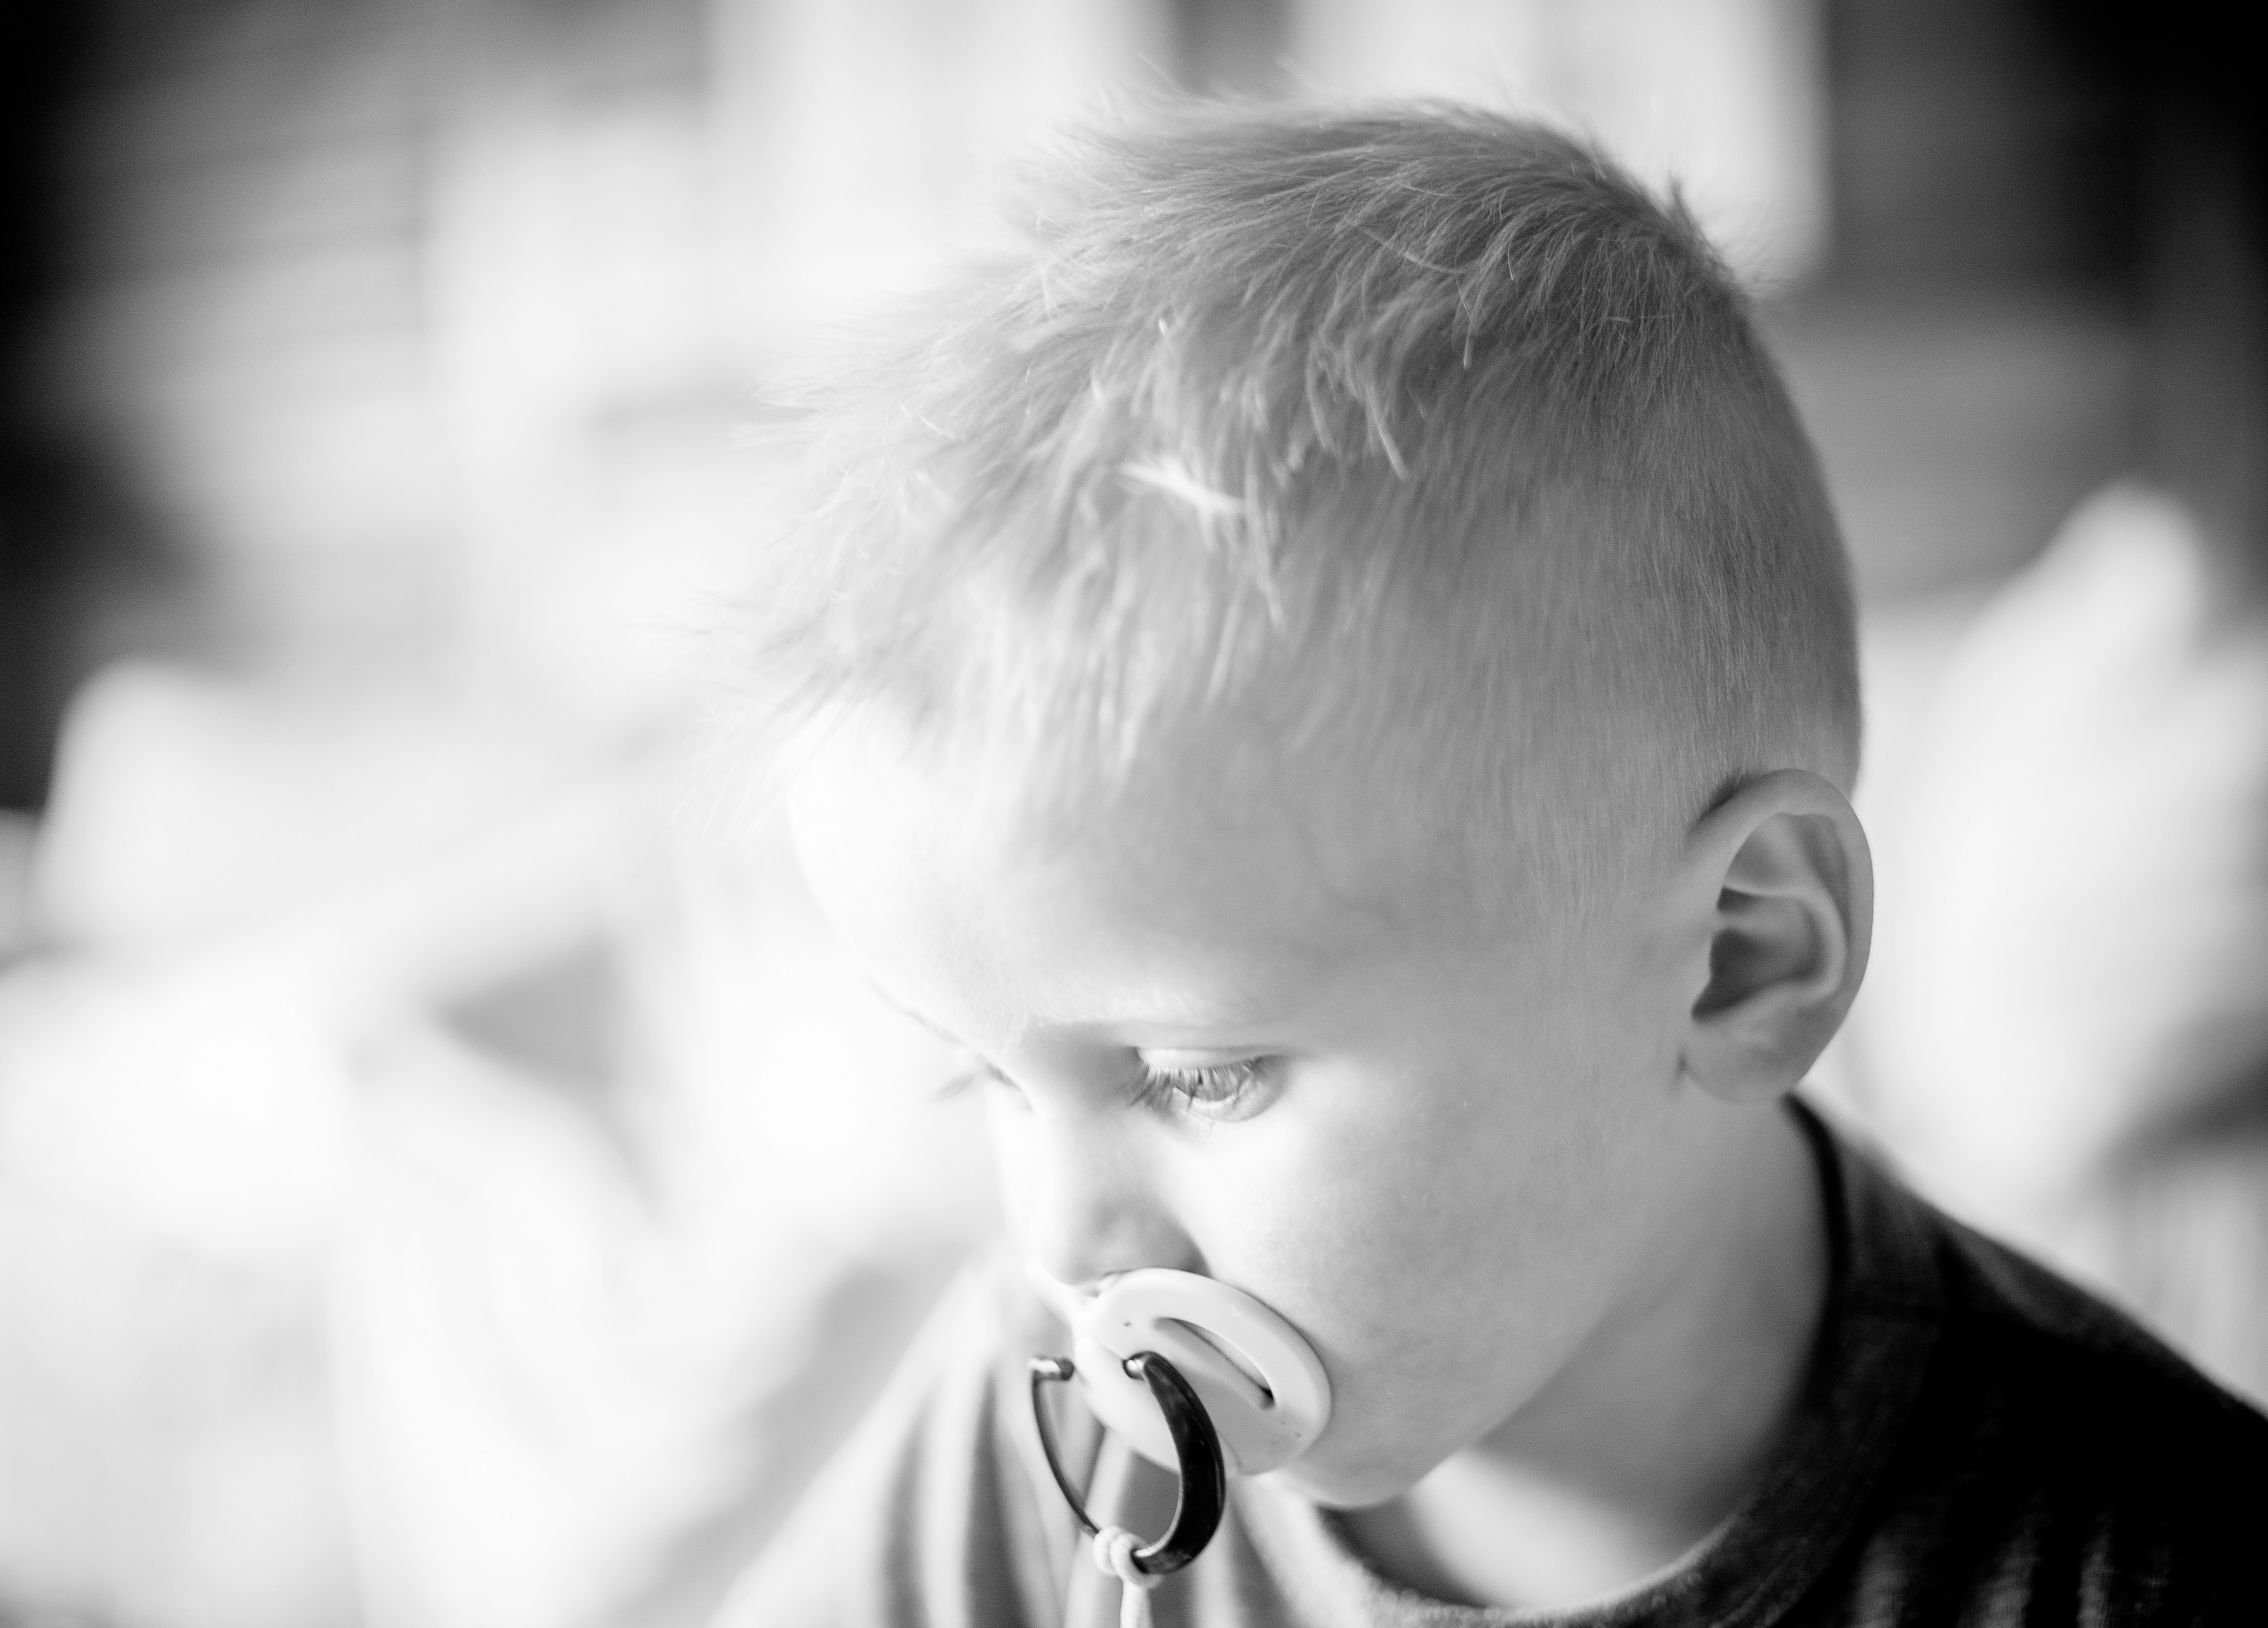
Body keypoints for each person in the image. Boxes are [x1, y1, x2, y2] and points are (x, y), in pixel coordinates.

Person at [715, 104, 2268, 1627]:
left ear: (1739, 957)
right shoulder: (1045, 1430)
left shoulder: (2126, 1559)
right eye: (983, 1077)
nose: (1063, 1246)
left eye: (1198, 1077)